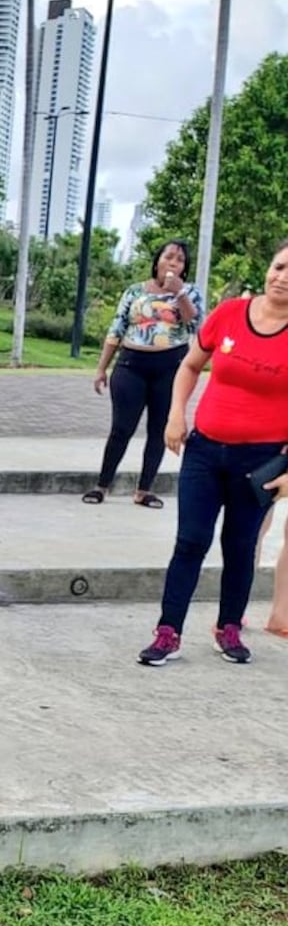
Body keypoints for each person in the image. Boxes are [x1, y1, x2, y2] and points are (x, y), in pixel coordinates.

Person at [139, 240, 288, 667]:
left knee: (240, 546)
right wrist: (175, 416)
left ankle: (229, 629)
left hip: (259, 462)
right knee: (190, 541)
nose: (282, 278)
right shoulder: (229, 314)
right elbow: (190, 365)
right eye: (278, 266)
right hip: (204, 450)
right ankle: (168, 632)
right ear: (269, 267)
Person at [84, 241, 202, 510]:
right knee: (121, 428)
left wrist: (179, 293)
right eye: (168, 256)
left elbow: (194, 322)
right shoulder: (135, 291)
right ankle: (102, 485)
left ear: (184, 267)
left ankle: (144, 490)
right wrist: (102, 368)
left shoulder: (190, 292)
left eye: (180, 260)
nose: (173, 262)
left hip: (170, 367)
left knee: (159, 429)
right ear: (157, 260)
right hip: (131, 366)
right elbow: (116, 328)